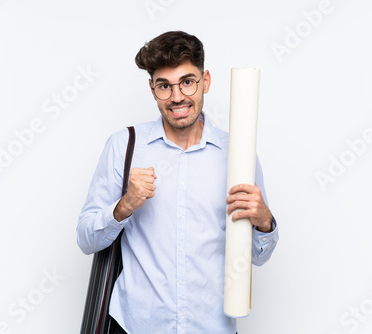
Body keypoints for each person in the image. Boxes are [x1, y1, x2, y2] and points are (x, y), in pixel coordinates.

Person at [77, 31, 279, 334]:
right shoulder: (124, 146)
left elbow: (258, 257)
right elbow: (86, 238)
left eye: (187, 81)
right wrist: (124, 207)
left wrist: (264, 222)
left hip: (211, 327)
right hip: (135, 326)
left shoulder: (238, 154)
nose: (177, 97)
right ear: (152, 88)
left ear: (205, 81)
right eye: (164, 86)